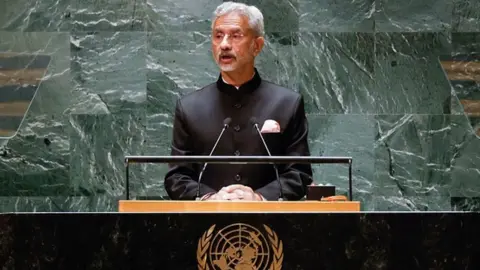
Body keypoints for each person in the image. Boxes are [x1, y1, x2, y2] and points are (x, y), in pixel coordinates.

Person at [164, 2, 313, 201]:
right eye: (218, 36)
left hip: (272, 223)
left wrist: (259, 197)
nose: (224, 44)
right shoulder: (189, 107)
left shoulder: (287, 103)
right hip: (204, 224)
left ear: (257, 46)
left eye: (236, 35)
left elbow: (299, 174)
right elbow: (177, 176)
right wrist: (210, 198)